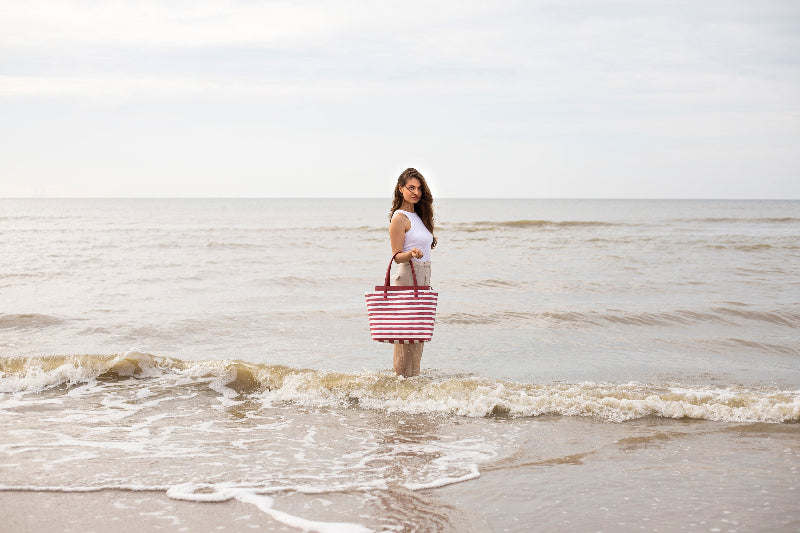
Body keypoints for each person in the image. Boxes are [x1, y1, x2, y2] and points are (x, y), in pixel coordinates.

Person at [388, 168, 437, 377]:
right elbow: (396, 256)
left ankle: (414, 382)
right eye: (411, 188)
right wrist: (411, 254)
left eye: (419, 188)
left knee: (418, 336)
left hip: (423, 277)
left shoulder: (419, 216)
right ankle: (400, 383)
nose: (415, 192)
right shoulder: (399, 218)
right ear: (401, 189)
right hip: (408, 276)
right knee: (403, 338)